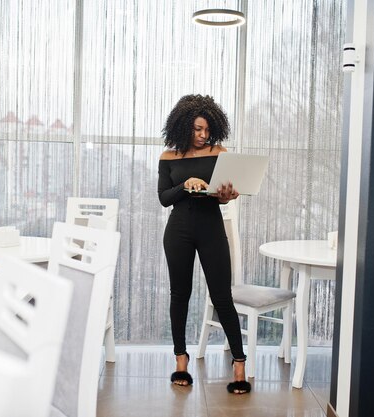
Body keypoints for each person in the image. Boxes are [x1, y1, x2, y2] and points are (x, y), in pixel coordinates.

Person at [157, 94, 251, 395]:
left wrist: (227, 194)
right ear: (184, 127)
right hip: (179, 229)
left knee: (222, 296)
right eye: (197, 129)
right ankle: (181, 360)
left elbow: (223, 194)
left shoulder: (220, 153)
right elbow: (163, 198)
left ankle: (239, 364)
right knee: (179, 295)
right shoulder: (168, 158)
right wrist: (185, 185)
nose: (203, 135)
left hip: (211, 227)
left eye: (207, 130)